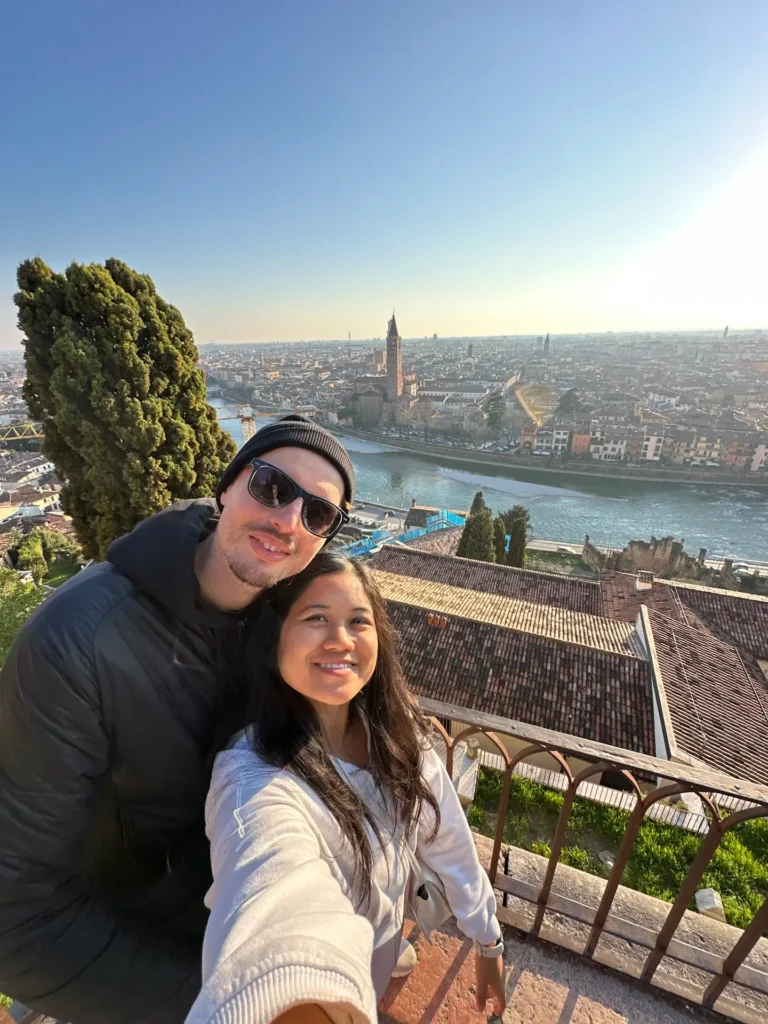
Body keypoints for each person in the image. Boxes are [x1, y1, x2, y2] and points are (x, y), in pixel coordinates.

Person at [0, 416, 355, 1024]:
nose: (289, 521)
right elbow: (15, 919)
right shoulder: (75, 641)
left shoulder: (288, 621)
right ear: (227, 487)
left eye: (318, 514)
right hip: (145, 947)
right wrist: (221, 1003)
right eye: (273, 488)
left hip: (240, 919)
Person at [187, 552, 506, 1024]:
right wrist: (285, 990)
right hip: (345, 967)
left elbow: (448, 839)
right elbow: (273, 887)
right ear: (274, 639)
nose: (340, 640)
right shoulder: (252, 777)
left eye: (359, 621)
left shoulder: (400, 737)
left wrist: (488, 937)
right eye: (316, 618)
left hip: (383, 938)